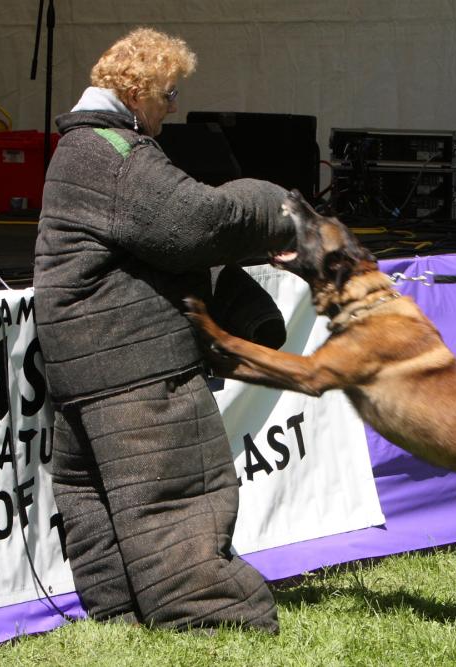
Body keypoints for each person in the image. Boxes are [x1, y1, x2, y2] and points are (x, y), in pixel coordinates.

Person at [33, 27, 294, 633]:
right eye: (170, 94)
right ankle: (211, 617)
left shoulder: (80, 148)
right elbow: (194, 224)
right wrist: (276, 207)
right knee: (176, 493)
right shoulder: (114, 153)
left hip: (82, 363)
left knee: (97, 497)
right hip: (134, 362)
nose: (173, 108)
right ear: (138, 91)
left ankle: (118, 615)